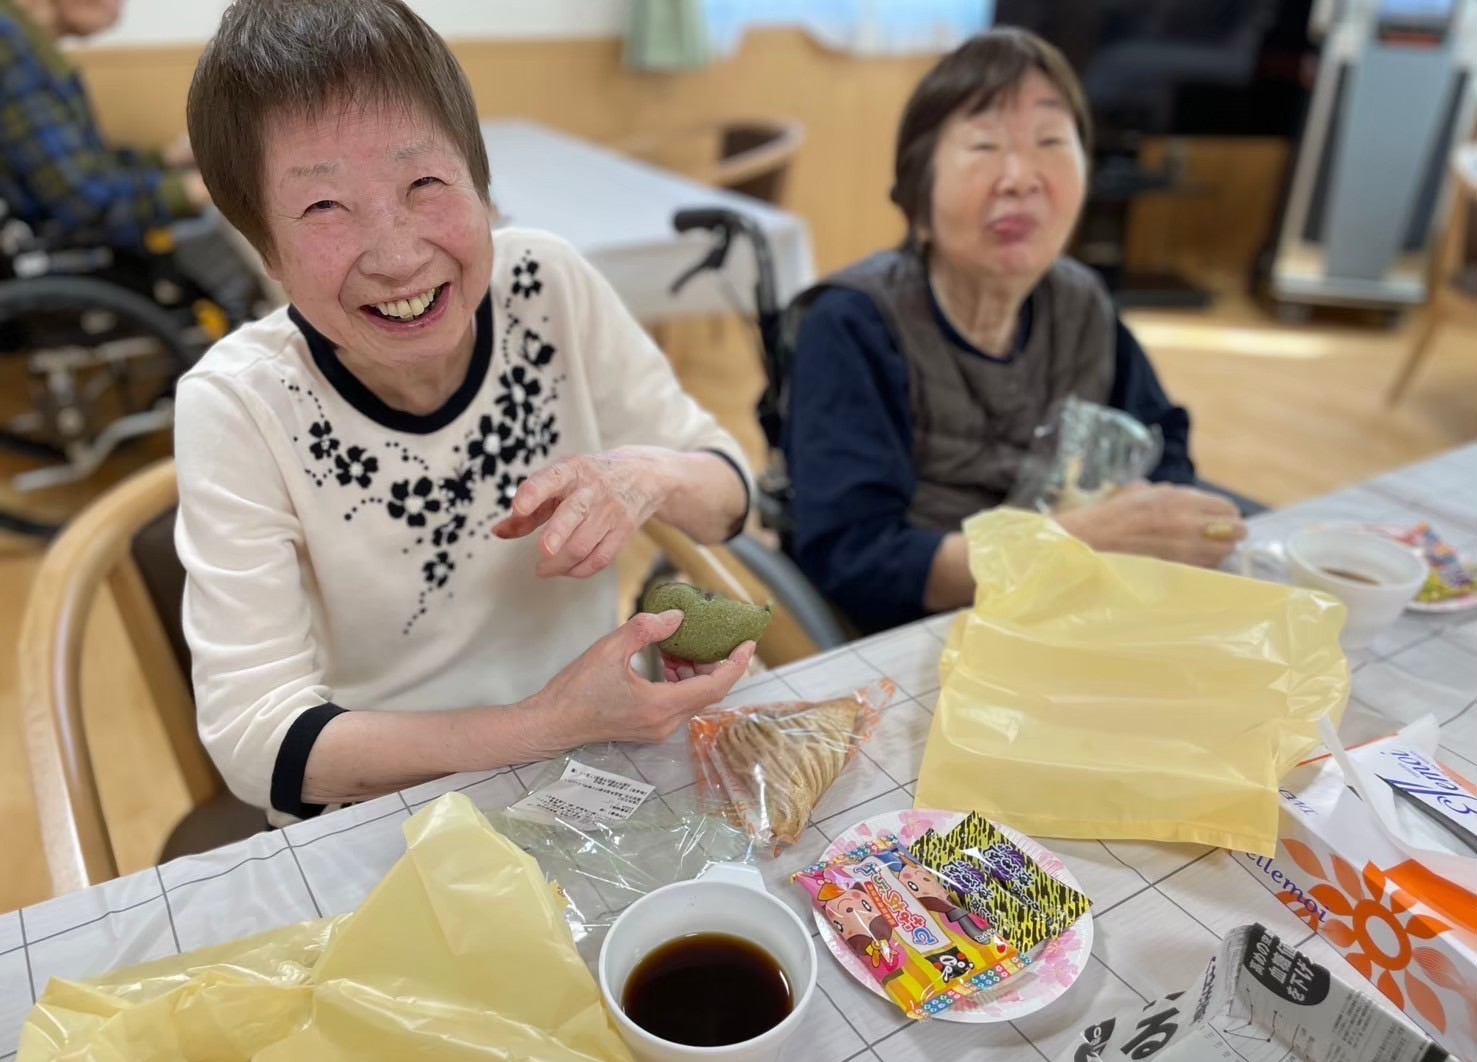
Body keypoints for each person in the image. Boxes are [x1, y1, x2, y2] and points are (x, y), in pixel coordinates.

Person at [174, 0, 756, 825]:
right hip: (384, 804)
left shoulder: (545, 287)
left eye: (425, 184)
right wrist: (544, 725)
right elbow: (258, 742)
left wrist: (647, 474)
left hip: (591, 769)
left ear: (482, 187)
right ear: (264, 250)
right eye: (323, 209)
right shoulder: (238, 403)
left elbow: (730, 494)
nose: (398, 254)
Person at [783, 29, 1248, 635]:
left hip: (1074, 614)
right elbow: (856, 559)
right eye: (984, 146)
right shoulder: (853, 326)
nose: (1020, 177)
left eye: (1051, 141)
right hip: (923, 634)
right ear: (918, 205)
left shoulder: (1081, 302)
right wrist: (1073, 539)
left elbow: (1164, 444)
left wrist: (1150, 523)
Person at [0, 0, 210, 248]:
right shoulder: (9, 44)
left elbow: (90, 166)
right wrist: (199, 190)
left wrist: (166, 158)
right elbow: (84, 204)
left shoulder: (28, 43)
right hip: (53, 255)